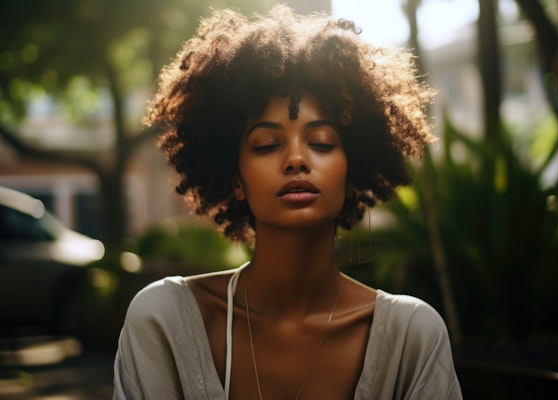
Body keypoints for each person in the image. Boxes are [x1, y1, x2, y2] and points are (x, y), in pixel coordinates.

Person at [113, 4, 462, 400]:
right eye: (267, 144)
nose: (297, 159)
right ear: (236, 179)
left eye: (321, 143)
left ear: (352, 171)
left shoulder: (411, 336)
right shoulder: (164, 321)